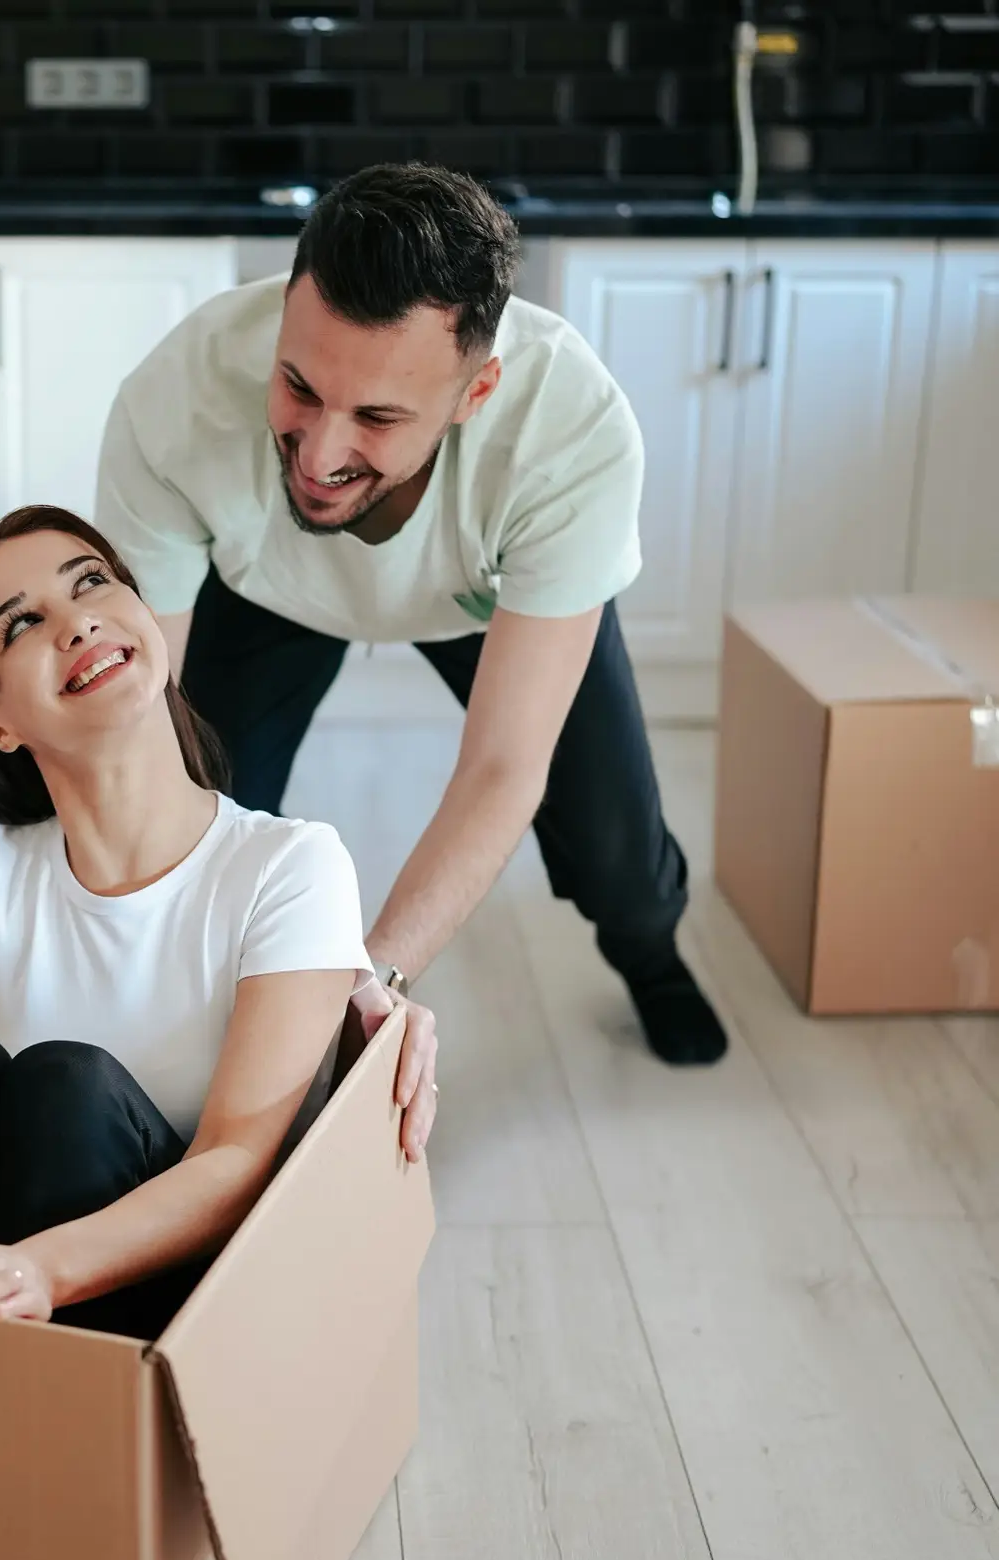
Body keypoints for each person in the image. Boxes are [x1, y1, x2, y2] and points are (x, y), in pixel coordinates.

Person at [0, 505, 436, 1345]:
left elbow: (236, 1160)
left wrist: (42, 1269)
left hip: (170, 1315)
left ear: (145, 616)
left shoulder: (289, 866)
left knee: (67, 1088)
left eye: (91, 581)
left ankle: (42, 1405)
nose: (77, 620)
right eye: (22, 623)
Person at [96, 161, 727, 1072]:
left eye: (378, 416)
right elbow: (139, 722)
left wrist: (377, 976)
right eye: (299, 387)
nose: (319, 454)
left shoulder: (571, 435)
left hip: (485, 600)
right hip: (265, 585)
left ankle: (651, 956)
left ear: (476, 393)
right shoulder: (173, 402)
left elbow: (506, 768)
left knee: (618, 853)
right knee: (207, 810)